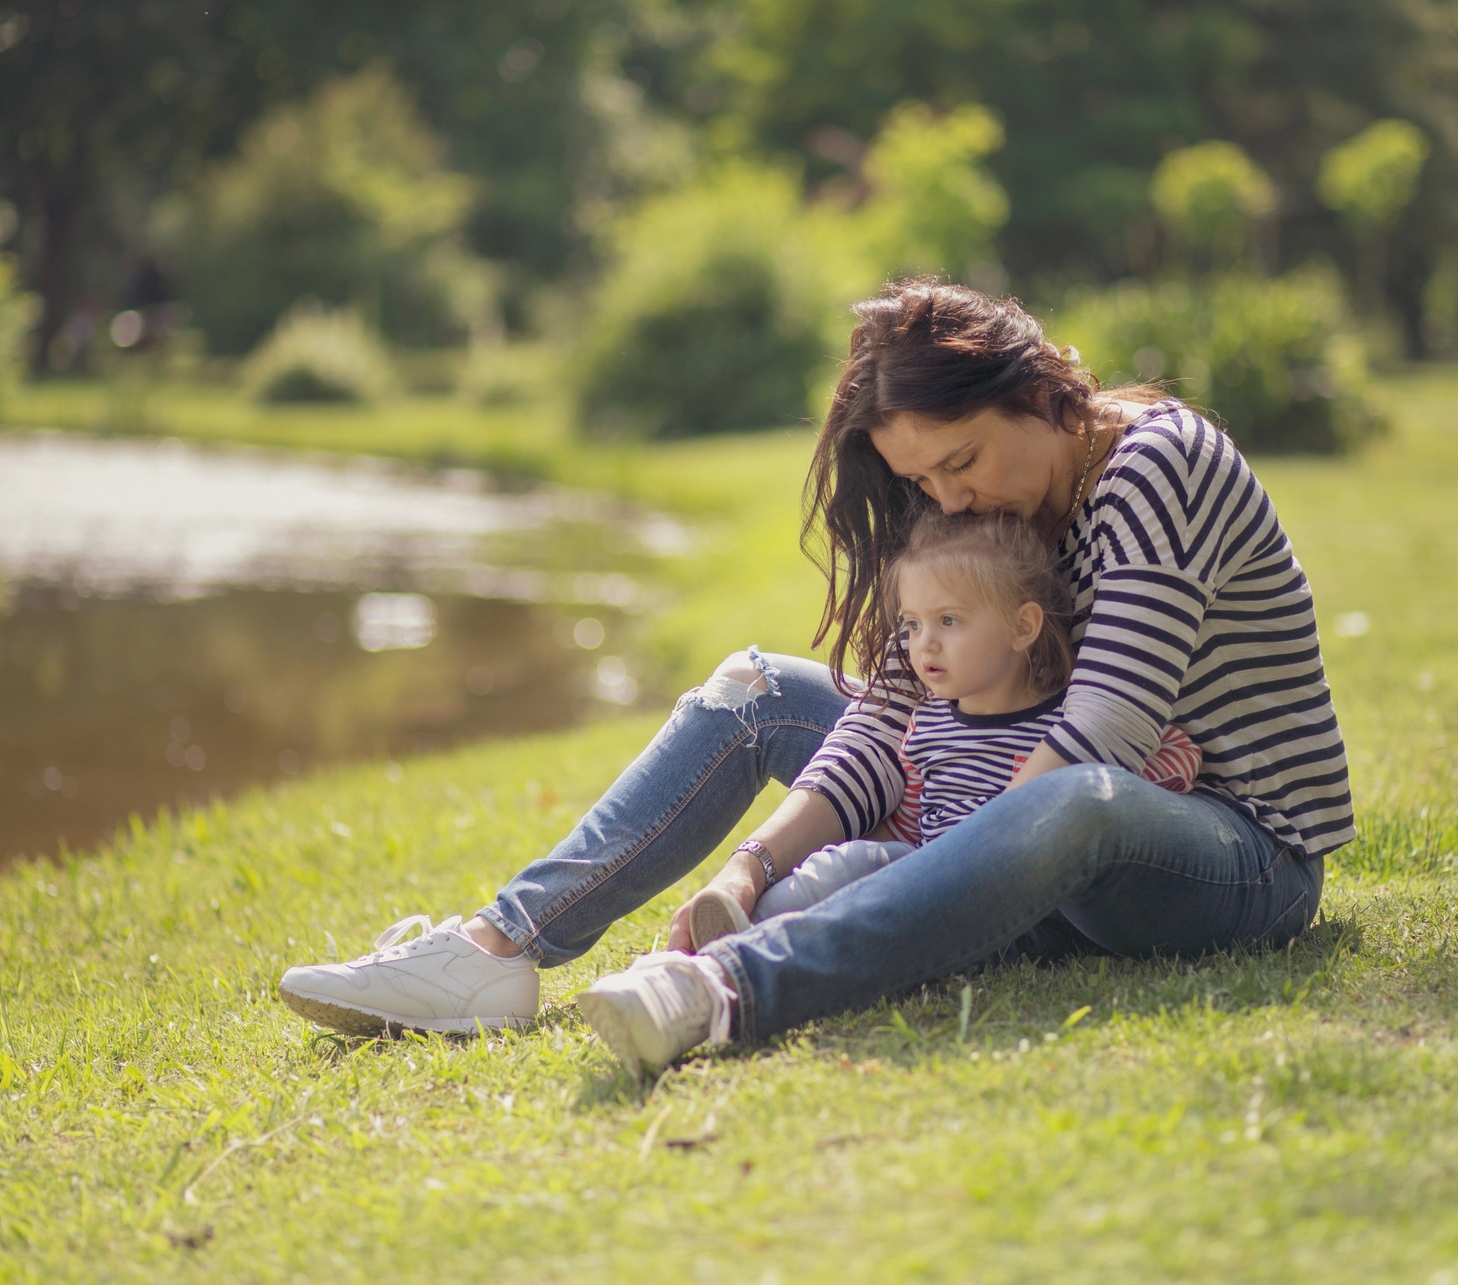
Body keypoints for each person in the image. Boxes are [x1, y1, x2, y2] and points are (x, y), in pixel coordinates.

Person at [277, 280, 1353, 1071]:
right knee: (758, 689)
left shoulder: (1158, 467)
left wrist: (902, 865)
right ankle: (495, 949)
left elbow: (1102, 740)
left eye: (962, 460)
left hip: (1221, 844)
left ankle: (724, 987)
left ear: (1041, 394)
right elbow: (889, 717)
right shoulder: (976, 505)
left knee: (1073, 798)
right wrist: (747, 869)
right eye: (921, 478)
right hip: (1012, 787)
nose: (950, 499)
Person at [676, 509, 1201, 951]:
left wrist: (1159, 781)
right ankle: (734, 935)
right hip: (932, 883)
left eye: (949, 621)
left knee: (852, 869)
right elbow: (908, 824)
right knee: (851, 865)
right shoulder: (926, 726)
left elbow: (1162, 757)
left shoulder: (1067, 724)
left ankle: (741, 943)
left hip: (1026, 905)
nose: (922, 644)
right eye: (912, 625)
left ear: (1023, 627)